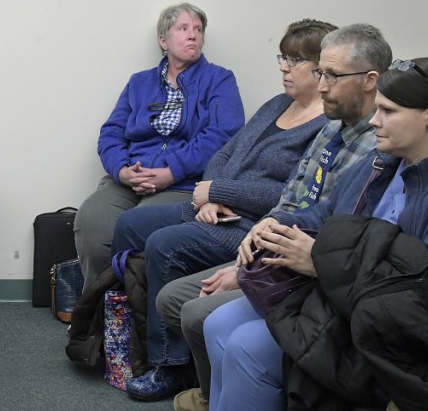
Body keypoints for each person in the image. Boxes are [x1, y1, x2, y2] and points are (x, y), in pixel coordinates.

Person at [204, 57, 428, 411]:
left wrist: (321, 263)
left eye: (388, 111)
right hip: (351, 298)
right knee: (218, 323)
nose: (375, 121)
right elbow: (327, 214)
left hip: (420, 338)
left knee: (248, 345)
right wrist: (277, 227)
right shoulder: (386, 161)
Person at [157, 23, 390, 410]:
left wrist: (246, 264)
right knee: (169, 277)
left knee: (201, 308)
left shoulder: (375, 148)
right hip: (273, 248)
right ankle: (218, 393)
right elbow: (290, 198)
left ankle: (226, 390)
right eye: (320, 72)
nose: (322, 84)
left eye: (330, 74)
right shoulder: (329, 129)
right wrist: (238, 222)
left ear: (370, 81)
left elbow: (335, 233)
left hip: (306, 270)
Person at [108, 19, 337, 402]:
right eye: (283, 57)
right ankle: (123, 338)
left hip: (248, 225)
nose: (283, 67)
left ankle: (170, 364)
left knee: (165, 245)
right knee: (131, 223)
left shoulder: (326, 126)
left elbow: (290, 194)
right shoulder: (278, 104)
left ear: (322, 68)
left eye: (293, 60)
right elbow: (225, 152)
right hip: (216, 208)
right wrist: (209, 195)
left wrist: (219, 190)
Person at [73, 3, 245, 289]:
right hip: (131, 178)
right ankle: (102, 310)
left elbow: (222, 136)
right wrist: (123, 170)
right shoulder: (139, 83)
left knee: (139, 224)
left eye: (198, 30)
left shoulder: (219, 79)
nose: (193, 36)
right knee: (92, 219)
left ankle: (138, 314)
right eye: (184, 28)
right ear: (163, 40)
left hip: (183, 182)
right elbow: (111, 133)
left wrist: (171, 170)